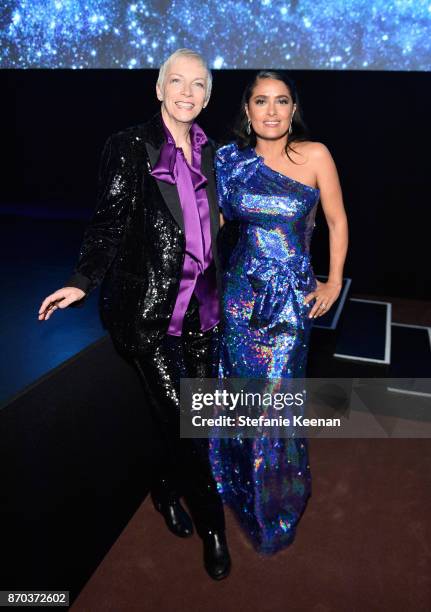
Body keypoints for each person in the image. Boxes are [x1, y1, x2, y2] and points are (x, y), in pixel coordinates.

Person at [38, 49, 231, 580]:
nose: (187, 92)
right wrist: (82, 280)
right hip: (146, 314)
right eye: (177, 81)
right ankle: (214, 526)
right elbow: (109, 223)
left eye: (198, 84)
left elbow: (216, 228)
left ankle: (166, 488)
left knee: (194, 418)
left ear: (208, 96)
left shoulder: (215, 152)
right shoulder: (128, 147)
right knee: (188, 422)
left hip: (203, 313)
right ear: (158, 87)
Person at [210, 70, 348, 554]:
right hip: (239, 297)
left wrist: (332, 280)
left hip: (290, 299)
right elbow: (216, 222)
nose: (271, 110)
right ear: (246, 110)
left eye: (282, 101)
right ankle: (237, 484)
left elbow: (336, 219)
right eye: (261, 101)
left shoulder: (315, 155)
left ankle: (277, 499)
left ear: (294, 109)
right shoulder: (230, 161)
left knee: (276, 400)